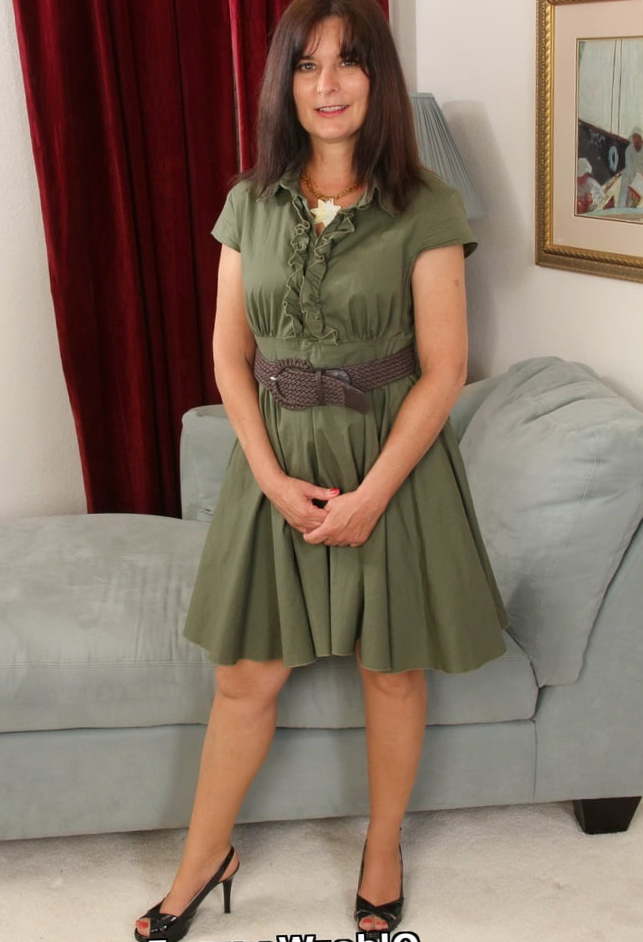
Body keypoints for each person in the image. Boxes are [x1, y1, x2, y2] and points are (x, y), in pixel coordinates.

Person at [134, 1, 510, 939]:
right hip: (277, 462)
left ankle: (382, 850)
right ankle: (203, 859)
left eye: (347, 63)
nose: (328, 85)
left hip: (391, 464)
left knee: (391, 671)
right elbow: (228, 357)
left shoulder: (424, 205)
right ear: (284, 83)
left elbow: (444, 369)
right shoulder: (249, 203)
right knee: (243, 678)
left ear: (378, 78)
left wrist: (373, 495)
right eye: (306, 65)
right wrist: (267, 478)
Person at [615, 126, 643, 209]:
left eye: (637, 137)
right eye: (634, 137)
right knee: (624, 191)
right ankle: (621, 209)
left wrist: (639, 179)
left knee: (635, 200)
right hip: (629, 175)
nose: (635, 140)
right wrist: (632, 180)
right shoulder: (629, 149)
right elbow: (629, 165)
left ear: (641, 138)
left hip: (641, 176)